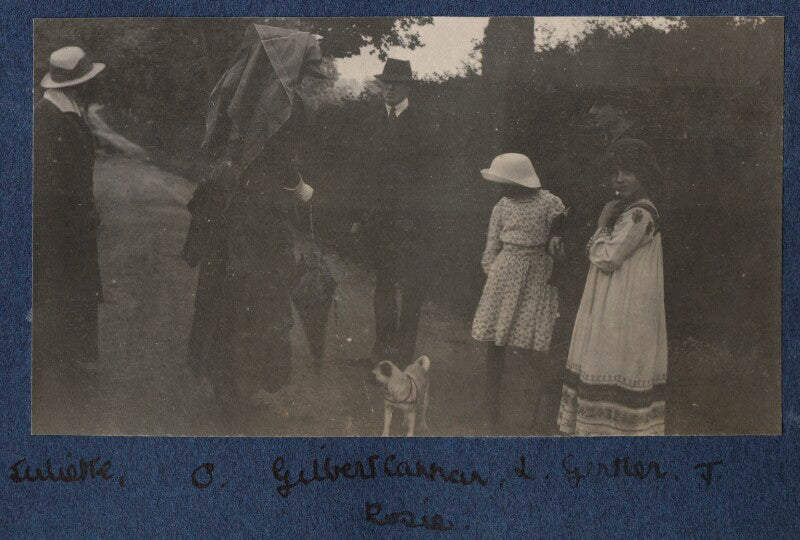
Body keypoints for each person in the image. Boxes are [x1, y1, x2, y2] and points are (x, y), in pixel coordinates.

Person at [184, 25, 326, 419]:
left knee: (225, 300)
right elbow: (280, 163)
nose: (307, 77)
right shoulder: (276, 106)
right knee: (255, 303)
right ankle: (238, 396)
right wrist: (301, 189)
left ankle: (225, 388)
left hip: (227, 216)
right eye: (306, 67)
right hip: (254, 222)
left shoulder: (243, 96)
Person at [557, 138, 668, 436]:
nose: (619, 178)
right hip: (617, 293)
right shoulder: (631, 209)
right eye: (616, 171)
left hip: (625, 299)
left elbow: (608, 257)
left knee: (616, 355)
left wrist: (602, 224)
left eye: (628, 171)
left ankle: (612, 429)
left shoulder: (639, 213)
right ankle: (607, 427)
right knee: (611, 355)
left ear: (643, 173)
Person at [350, 59, 438, 369]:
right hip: (380, 221)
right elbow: (365, 174)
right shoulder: (373, 122)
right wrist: (360, 216)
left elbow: (429, 178)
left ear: (407, 87)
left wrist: (413, 216)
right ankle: (382, 353)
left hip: (412, 222)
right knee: (383, 285)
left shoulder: (423, 124)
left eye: (395, 83)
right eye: (385, 83)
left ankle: (403, 355)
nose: (388, 88)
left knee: (411, 289)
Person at [470, 153, 566, 432]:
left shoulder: (550, 202)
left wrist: (553, 251)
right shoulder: (502, 206)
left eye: (506, 183)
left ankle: (546, 410)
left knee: (531, 341)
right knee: (496, 343)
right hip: (505, 274)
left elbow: (560, 229)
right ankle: (491, 412)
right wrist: (497, 275)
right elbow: (490, 248)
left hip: (537, 274)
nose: (502, 189)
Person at [33, 46, 106, 385]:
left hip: (72, 224)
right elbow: (50, 187)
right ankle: (61, 372)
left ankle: (70, 363)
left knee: (74, 292)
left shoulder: (66, 113)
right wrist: (82, 215)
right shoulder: (49, 119)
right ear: (76, 84)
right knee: (61, 291)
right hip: (60, 228)